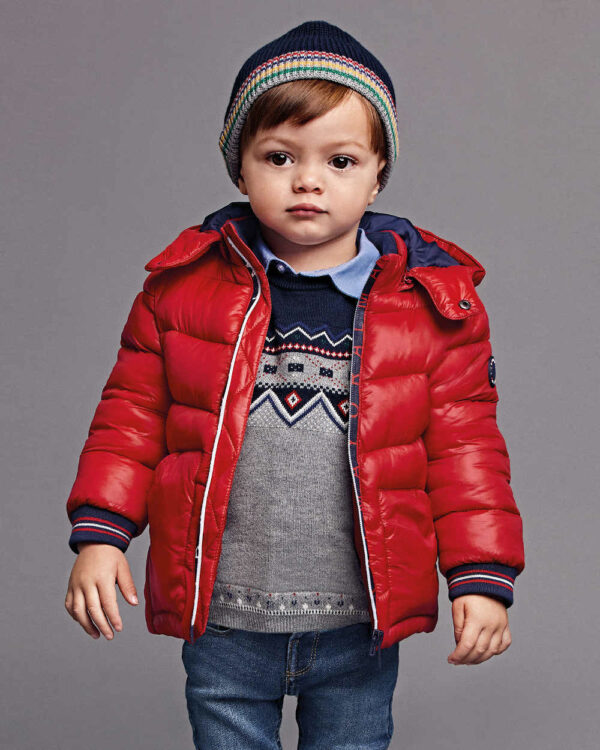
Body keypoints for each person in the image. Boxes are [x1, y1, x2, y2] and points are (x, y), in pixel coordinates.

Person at [64, 20, 525, 750]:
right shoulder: (180, 293)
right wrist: (101, 535)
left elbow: (467, 453)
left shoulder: (430, 308)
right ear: (240, 170)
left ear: (378, 174)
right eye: (279, 157)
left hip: (358, 624)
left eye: (341, 161)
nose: (308, 180)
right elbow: (130, 419)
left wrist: (480, 576)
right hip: (223, 617)